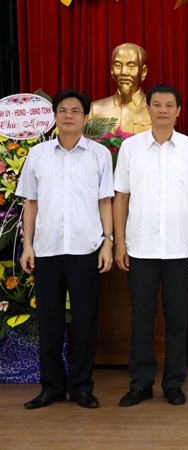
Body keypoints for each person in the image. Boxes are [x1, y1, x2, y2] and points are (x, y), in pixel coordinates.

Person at [113, 84, 188, 407]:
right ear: (149, 109)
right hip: (139, 247)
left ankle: (173, 383)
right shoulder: (131, 148)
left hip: (181, 249)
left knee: (177, 321)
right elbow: (120, 197)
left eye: (169, 105)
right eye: (157, 104)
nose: (163, 110)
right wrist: (119, 242)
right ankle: (140, 384)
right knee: (141, 319)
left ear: (178, 111)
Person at [17, 89, 114, 409]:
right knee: (49, 323)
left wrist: (108, 242)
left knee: (85, 323)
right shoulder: (38, 154)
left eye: (75, 111)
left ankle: (82, 387)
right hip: (46, 250)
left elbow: (105, 201)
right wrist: (27, 245)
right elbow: (30, 203)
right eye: (63, 110)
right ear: (54, 116)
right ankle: (52, 387)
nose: (69, 115)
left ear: (86, 117)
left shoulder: (99, 154)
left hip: (87, 249)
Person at [90, 43, 152, 134]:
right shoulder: (94, 110)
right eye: (118, 66)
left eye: (131, 66)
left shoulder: (157, 111)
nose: (123, 72)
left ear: (143, 72)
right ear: (112, 70)